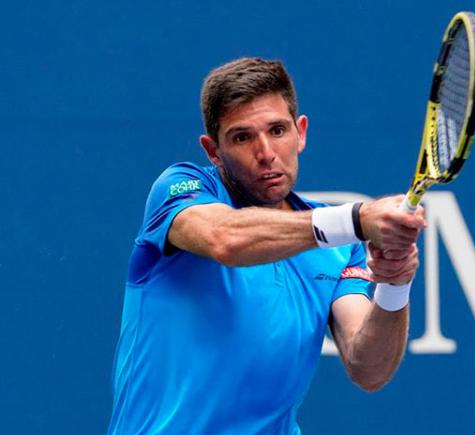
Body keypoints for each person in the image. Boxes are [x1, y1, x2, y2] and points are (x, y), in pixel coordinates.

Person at [107, 57, 425, 434]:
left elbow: (368, 367)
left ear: (301, 132)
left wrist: (394, 283)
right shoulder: (179, 189)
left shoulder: (340, 247)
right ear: (212, 150)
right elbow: (224, 238)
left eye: (277, 130)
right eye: (242, 137)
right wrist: (355, 220)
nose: (266, 152)